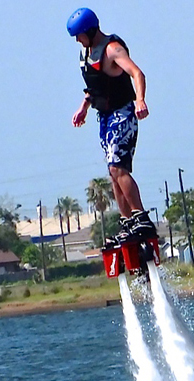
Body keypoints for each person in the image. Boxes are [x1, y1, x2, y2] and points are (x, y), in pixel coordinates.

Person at [67, 7, 157, 241]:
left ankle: (141, 218)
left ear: (90, 30)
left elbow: (138, 73)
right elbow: (95, 86)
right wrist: (83, 108)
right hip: (105, 117)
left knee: (119, 168)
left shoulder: (112, 50)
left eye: (79, 35)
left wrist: (140, 100)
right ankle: (128, 223)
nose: (77, 40)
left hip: (123, 112)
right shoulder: (89, 53)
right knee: (112, 173)